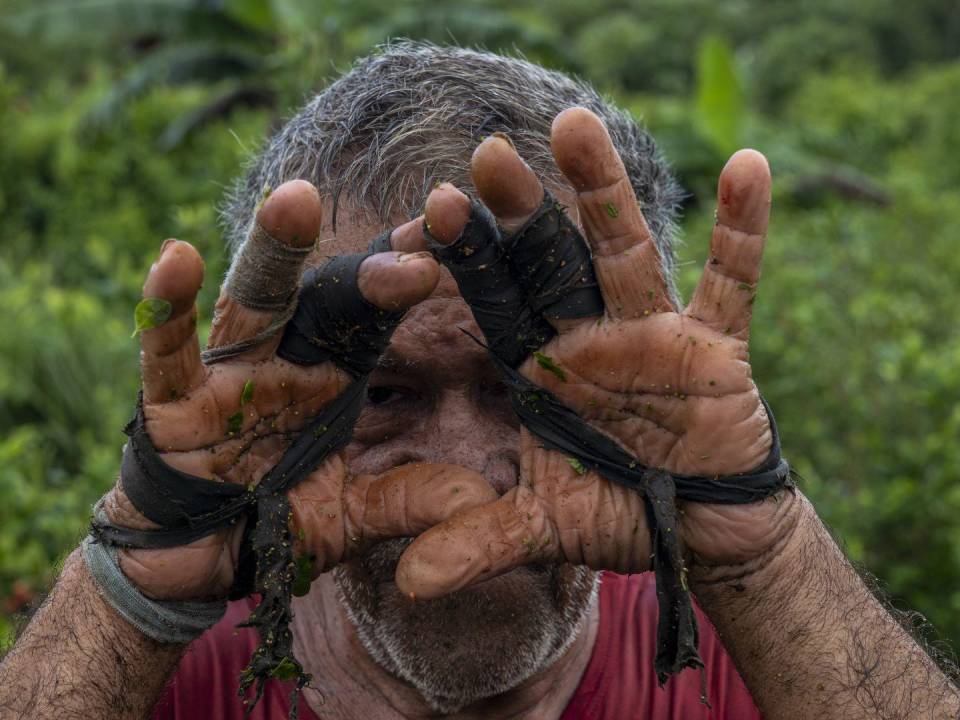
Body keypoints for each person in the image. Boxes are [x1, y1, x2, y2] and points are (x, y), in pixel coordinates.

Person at [0, 42, 957, 720]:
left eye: (529, 392)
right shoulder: (146, 673)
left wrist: (761, 552)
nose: (465, 475)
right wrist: (136, 585)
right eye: (381, 395)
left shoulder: (762, 661)